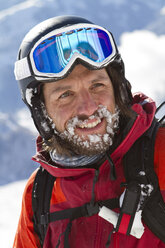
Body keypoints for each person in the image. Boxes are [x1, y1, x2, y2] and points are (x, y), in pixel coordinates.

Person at [13, 15, 165, 248]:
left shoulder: (161, 156)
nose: (89, 108)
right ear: (42, 111)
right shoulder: (41, 193)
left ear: (118, 90)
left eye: (97, 85)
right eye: (65, 95)